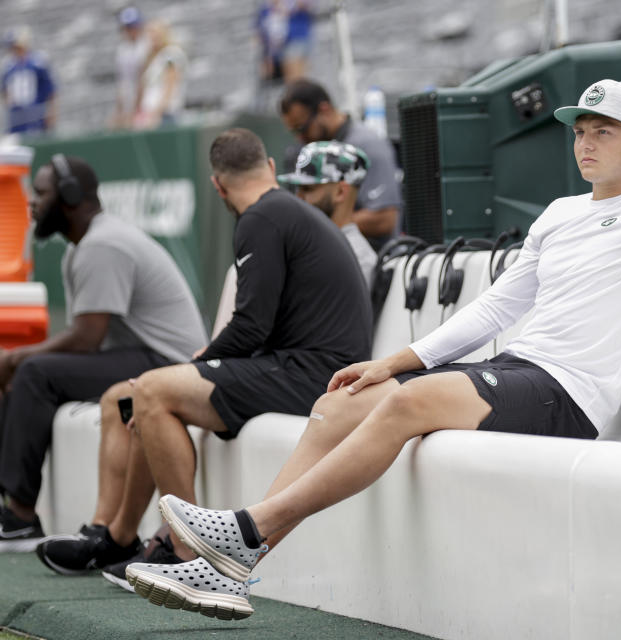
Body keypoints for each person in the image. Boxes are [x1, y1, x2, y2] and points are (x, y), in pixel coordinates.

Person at [124, 79, 621, 620]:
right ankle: (235, 566)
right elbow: (498, 306)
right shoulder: (560, 214)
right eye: (580, 132)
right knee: (342, 404)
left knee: (407, 405)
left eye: (603, 132)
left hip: (569, 394)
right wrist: (395, 359)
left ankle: (244, 531)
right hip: (517, 369)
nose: (586, 144)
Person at [35, 128, 372, 584]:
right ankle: (117, 535)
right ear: (270, 167)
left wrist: (195, 366)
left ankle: (182, 550)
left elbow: (252, 326)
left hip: (313, 376)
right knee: (131, 394)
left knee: (152, 390)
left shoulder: (261, 218)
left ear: (216, 185)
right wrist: (199, 365)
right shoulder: (278, 212)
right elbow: (260, 327)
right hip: (309, 368)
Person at [0, 155, 207, 551]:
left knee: (32, 372)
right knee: (25, 372)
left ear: (71, 196)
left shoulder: (102, 244)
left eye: (41, 194)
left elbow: (86, 339)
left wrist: (14, 358)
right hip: (140, 355)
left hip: (167, 363)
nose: (33, 203)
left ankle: (21, 516)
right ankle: (12, 510)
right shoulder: (84, 245)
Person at [279, 79, 403, 250]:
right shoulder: (306, 150)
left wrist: (316, 224)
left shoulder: (368, 145)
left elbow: (385, 219)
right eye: (294, 131)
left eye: (303, 128)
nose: (299, 138)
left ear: (324, 110)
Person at [277, 140, 377, 287]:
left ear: (340, 192)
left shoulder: (358, 258)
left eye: (308, 189)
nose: (299, 197)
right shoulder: (309, 247)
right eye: (298, 189)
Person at [1, 27, 56, 134]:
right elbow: (4, 90)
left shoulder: (38, 62)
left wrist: (51, 112)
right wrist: (9, 102)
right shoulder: (8, 65)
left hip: (37, 114)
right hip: (16, 116)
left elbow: (51, 91)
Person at [133, 20, 186, 129]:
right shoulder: (151, 57)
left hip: (164, 115)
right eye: (149, 33)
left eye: (155, 33)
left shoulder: (171, 53)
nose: (152, 37)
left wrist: (156, 113)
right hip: (149, 115)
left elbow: (170, 87)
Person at [111, 7, 149, 130]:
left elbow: (143, 78)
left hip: (146, 101)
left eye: (133, 26)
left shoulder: (146, 45)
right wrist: (120, 109)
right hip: (129, 97)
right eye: (127, 27)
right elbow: (122, 82)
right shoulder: (122, 49)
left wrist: (136, 108)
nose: (130, 31)